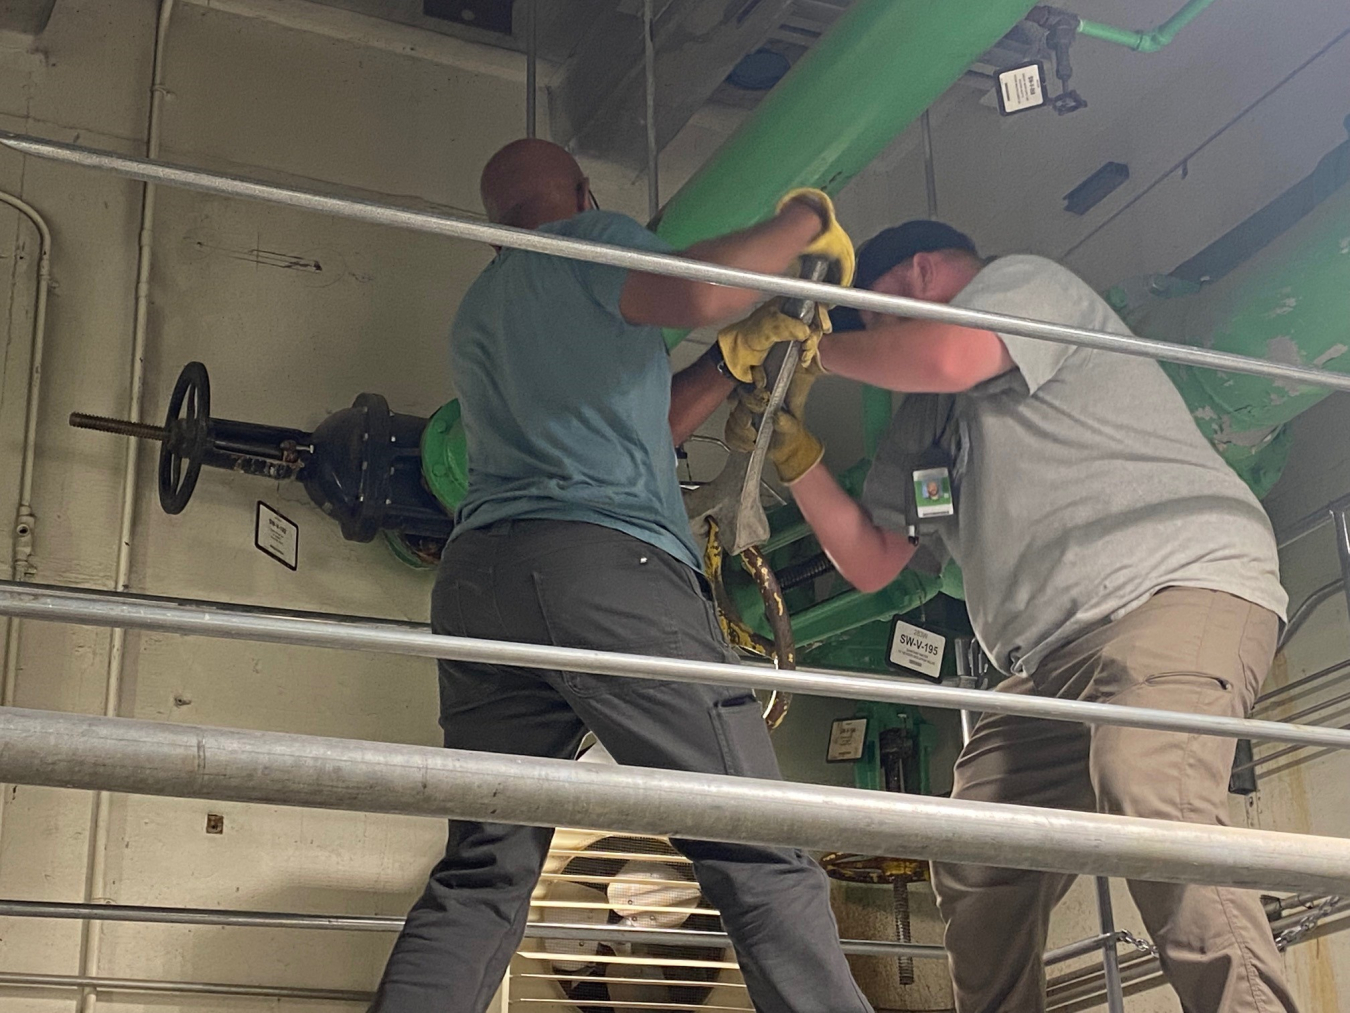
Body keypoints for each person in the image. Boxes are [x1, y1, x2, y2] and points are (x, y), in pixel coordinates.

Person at [727, 220, 1295, 1013]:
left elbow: (951, 355)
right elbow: (879, 557)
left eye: (876, 317)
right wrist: (798, 457)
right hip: (1054, 662)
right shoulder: (926, 427)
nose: (875, 348)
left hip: (1176, 592)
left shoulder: (1023, 282)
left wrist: (813, 344)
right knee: (977, 847)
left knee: (1147, 786)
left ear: (918, 274)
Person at [369, 138, 868, 1013]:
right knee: (759, 849)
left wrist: (730, 362)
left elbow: (639, 426)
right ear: (585, 193)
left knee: (484, 871)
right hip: (604, 568)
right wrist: (802, 222)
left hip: (482, 579)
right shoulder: (588, 243)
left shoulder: (482, 311)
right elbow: (706, 291)